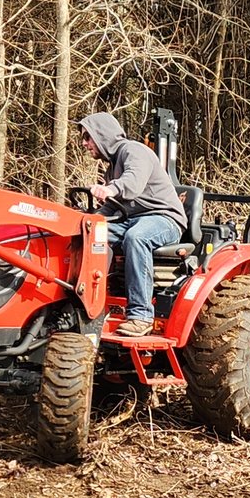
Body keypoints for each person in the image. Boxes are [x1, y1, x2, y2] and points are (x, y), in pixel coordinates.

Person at [78, 111, 186, 337]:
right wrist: (89, 220)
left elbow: (132, 183)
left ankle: (141, 315)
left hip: (164, 219)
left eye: (87, 137)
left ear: (101, 135)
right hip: (132, 219)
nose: (84, 143)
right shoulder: (112, 166)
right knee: (91, 234)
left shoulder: (134, 151)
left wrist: (110, 189)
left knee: (137, 237)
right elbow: (113, 206)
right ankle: (89, 301)